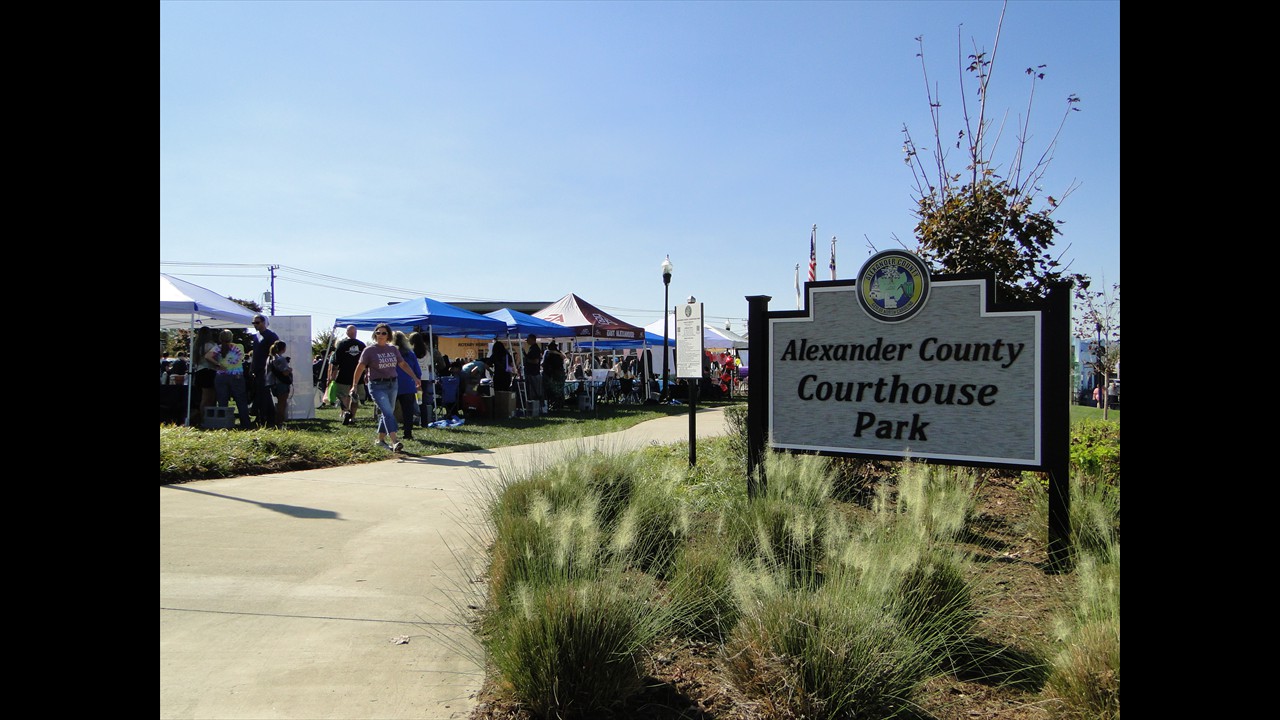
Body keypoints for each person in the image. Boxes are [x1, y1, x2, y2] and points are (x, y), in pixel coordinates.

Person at [350, 323, 420, 452]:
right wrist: (354, 385)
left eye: (384, 333)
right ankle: (395, 441)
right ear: (375, 334)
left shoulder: (393, 349)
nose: (380, 335)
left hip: (393, 384)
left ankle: (380, 440)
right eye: (378, 332)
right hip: (377, 385)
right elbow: (360, 368)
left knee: (387, 413)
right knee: (388, 412)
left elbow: (403, 364)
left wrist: (415, 377)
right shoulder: (369, 350)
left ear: (388, 335)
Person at [208, 329, 251, 429]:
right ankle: (245, 423)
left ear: (220, 338)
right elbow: (241, 358)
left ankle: (224, 424)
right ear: (231, 338)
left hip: (221, 375)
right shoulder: (239, 346)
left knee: (222, 400)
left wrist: (218, 364)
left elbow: (208, 356)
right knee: (240, 400)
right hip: (237, 375)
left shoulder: (217, 348)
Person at [330, 325, 366, 425]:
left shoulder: (341, 345)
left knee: (343, 395)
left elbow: (336, 362)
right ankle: (353, 417)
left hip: (344, 374)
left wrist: (332, 376)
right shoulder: (362, 345)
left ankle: (346, 411)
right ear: (356, 333)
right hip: (358, 375)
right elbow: (367, 362)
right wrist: (366, 373)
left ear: (347, 333)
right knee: (355, 396)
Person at [250, 314, 280, 428]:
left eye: (257, 323)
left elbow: (275, 353)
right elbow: (255, 354)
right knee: (260, 395)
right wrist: (252, 368)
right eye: (253, 323)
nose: (255, 325)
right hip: (257, 370)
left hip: (266, 370)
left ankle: (268, 418)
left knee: (265, 395)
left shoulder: (271, 336)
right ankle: (261, 417)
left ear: (263, 323)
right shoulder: (256, 336)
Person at [392, 331, 421, 440]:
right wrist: (417, 379)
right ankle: (408, 433)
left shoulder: (391, 353)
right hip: (408, 384)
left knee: (389, 410)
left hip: (392, 384)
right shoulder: (410, 353)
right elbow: (417, 370)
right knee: (408, 410)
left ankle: (390, 432)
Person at [193, 326, 219, 425]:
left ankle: (204, 418)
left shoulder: (196, 346)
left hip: (199, 371)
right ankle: (205, 419)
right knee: (209, 397)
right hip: (209, 371)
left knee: (204, 398)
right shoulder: (211, 345)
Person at [266, 340, 293, 426]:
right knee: (282, 403)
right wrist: (289, 369)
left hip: (272, 383)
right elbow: (284, 372)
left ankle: (276, 420)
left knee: (278, 403)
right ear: (283, 349)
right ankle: (279, 422)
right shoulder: (281, 359)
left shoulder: (270, 358)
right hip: (281, 383)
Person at [523, 333, 544, 417]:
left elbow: (535, 361)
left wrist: (527, 359)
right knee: (532, 391)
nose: (527, 341)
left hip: (533, 373)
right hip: (531, 373)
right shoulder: (532, 348)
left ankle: (536, 408)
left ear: (532, 339)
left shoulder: (535, 349)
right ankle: (533, 407)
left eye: (528, 339)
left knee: (534, 392)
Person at [542, 341, 567, 410]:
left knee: (552, 390)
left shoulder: (549, 353)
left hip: (553, 374)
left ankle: (555, 404)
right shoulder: (553, 353)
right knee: (558, 391)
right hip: (557, 374)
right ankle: (558, 404)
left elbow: (543, 364)